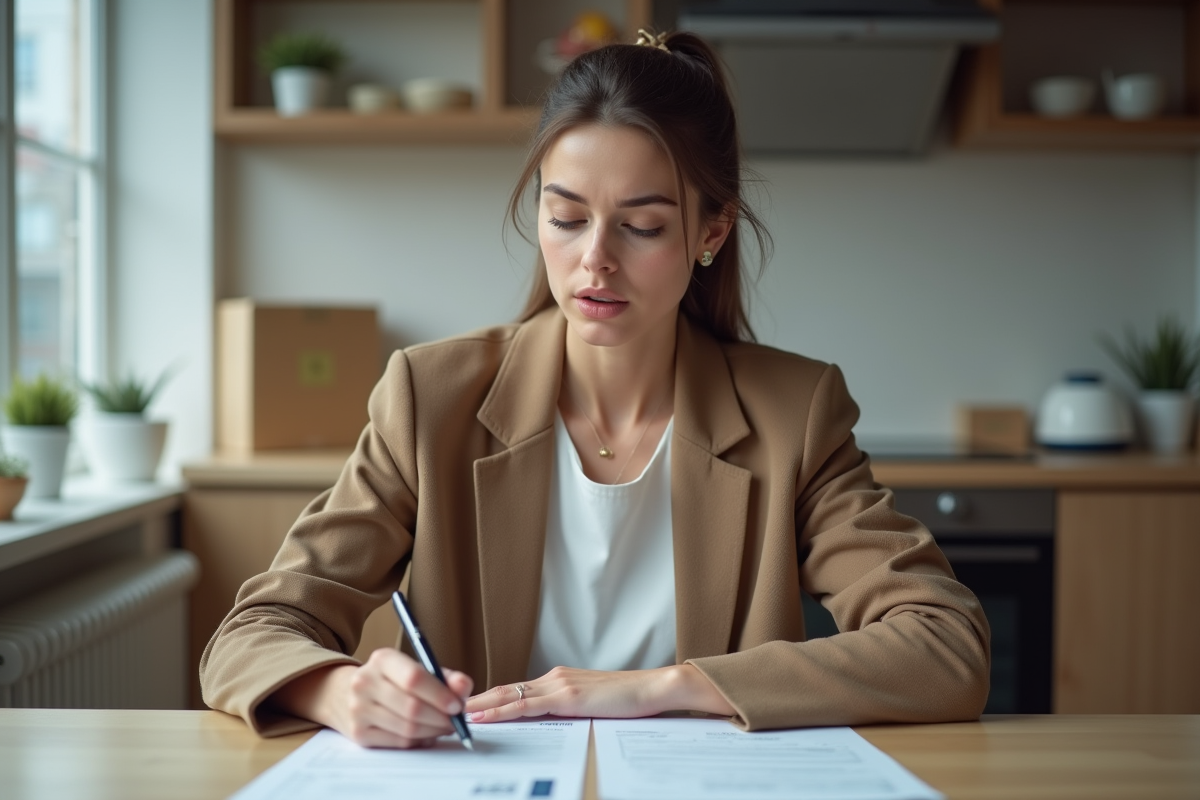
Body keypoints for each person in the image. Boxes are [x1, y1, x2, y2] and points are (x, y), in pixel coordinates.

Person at [200, 30, 990, 748]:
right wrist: (341, 691)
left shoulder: (793, 413)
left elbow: (945, 646)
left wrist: (665, 689)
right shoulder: (429, 397)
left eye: (641, 226)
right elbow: (251, 633)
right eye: (567, 218)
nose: (595, 262)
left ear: (711, 232)